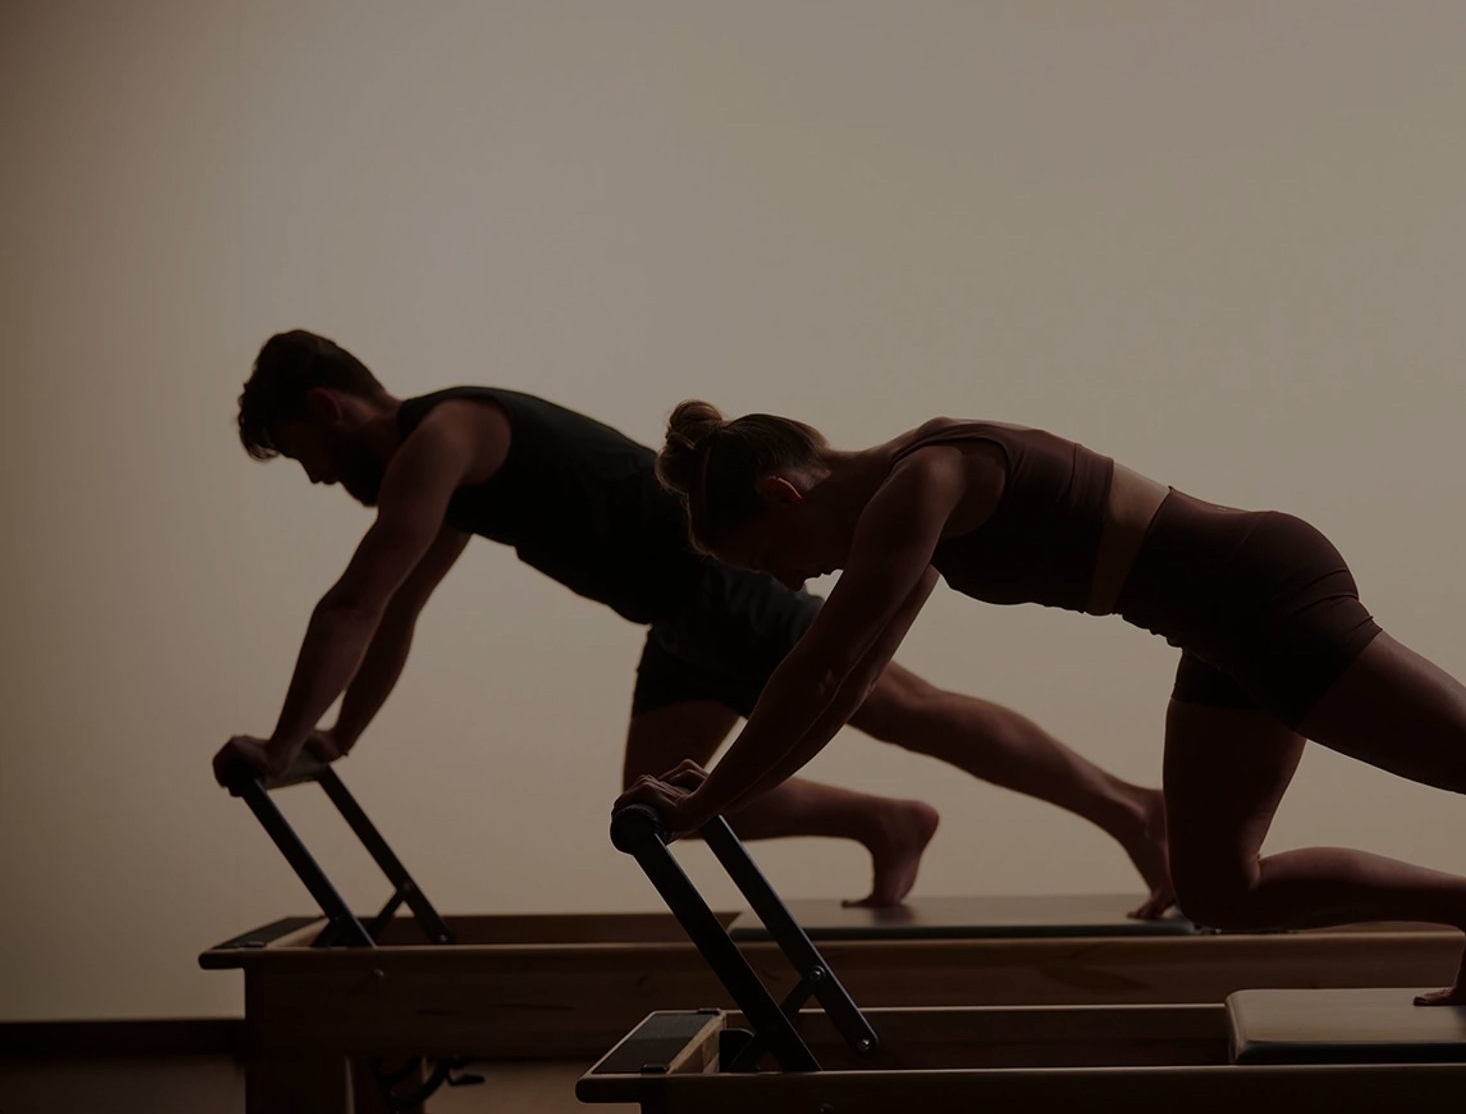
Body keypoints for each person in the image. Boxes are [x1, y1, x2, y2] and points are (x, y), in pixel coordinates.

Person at [617, 403, 1466, 1020]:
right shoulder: (908, 495)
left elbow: (828, 669)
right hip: (1213, 627)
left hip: (1262, 590)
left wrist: (713, 796)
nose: (786, 584)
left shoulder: (922, 480)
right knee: (1219, 888)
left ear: (787, 490)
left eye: (771, 559)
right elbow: (841, 667)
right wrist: (717, 789)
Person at [211, 332, 1172, 913]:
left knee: (903, 708)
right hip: (675, 614)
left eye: (305, 455)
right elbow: (399, 610)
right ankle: (888, 820)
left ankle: (1131, 808)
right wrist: (339, 735)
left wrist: (282, 738)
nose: (318, 478)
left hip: (713, 579)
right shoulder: (444, 464)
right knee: (662, 797)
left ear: (328, 408)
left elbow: (357, 599)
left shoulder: (443, 434)